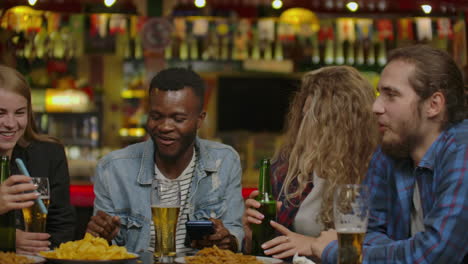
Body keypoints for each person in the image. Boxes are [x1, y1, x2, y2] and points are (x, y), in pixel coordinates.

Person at [312, 45, 468, 263]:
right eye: (378, 94)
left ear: (433, 105)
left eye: (391, 95)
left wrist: (340, 253)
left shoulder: (462, 151)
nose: (375, 107)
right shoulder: (392, 148)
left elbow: (436, 253)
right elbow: (367, 232)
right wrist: (404, 250)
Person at [86, 67, 244, 254]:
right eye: (156, 117)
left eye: (178, 118)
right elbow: (101, 249)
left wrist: (228, 240)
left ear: (199, 120)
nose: (165, 127)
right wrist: (99, 238)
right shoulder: (113, 168)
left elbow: (235, 232)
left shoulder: (224, 161)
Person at [243, 66, 379, 259]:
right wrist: (251, 237)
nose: (304, 126)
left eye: (317, 118)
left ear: (349, 124)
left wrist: (314, 245)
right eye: (304, 114)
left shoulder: (377, 172)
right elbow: (269, 250)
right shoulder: (288, 168)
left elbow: (384, 252)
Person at [0, 64, 75, 254]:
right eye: (0, 113)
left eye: (19, 113)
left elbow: (62, 230)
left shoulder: (50, 153)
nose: (10, 124)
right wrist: (7, 239)